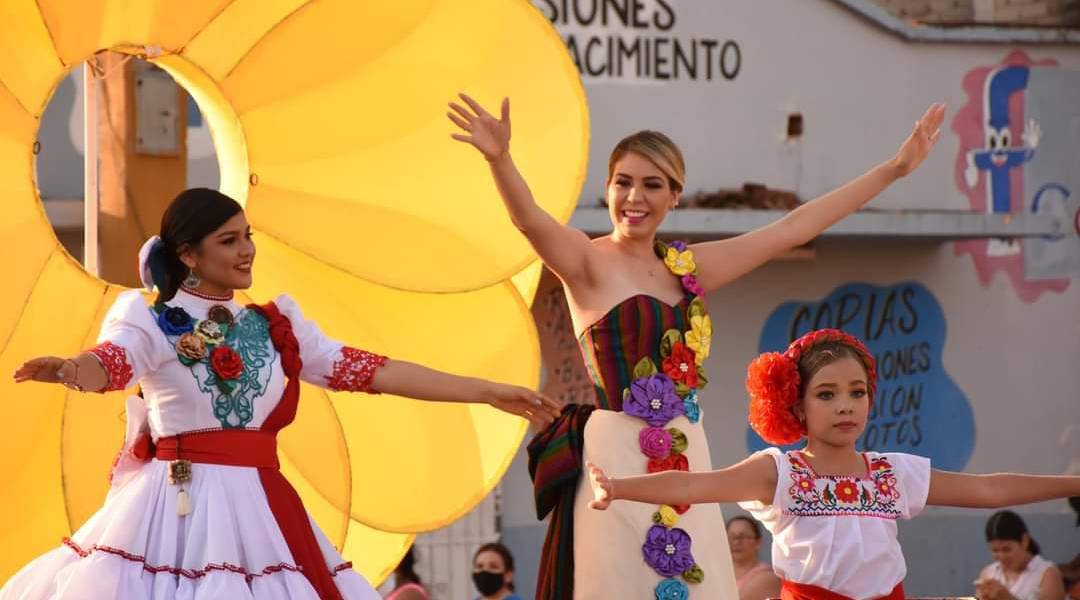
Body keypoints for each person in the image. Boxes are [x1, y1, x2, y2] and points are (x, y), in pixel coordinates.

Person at [448, 92, 946, 599]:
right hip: (614, 453)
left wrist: (895, 168)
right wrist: (500, 159)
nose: (634, 197)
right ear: (608, 188)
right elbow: (529, 220)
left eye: (652, 184)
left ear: (675, 196)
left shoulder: (687, 269)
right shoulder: (585, 260)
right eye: (623, 182)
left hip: (687, 448)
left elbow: (791, 228)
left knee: (698, 584)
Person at [2, 188, 560, 600]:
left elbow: (375, 371)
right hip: (176, 507)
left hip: (262, 509)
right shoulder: (150, 319)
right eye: (229, 240)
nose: (246, 251)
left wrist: (483, 390)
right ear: (188, 255)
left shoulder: (277, 327)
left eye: (247, 236)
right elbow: (113, 363)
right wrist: (72, 369)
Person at [584, 328, 1080, 600]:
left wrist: (1073, 482)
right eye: (827, 394)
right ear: (796, 406)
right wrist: (620, 488)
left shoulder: (893, 472)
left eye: (857, 392)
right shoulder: (779, 473)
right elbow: (697, 485)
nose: (846, 405)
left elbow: (988, 490)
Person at [975, 510, 1065, 600]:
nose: (1002, 556)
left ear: (1024, 541)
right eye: (995, 550)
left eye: (1007, 549)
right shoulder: (988, 574)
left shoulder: (1047, 574)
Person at [727, 516, 781, 600]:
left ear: (758, 542)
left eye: (742, 537)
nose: (736, 542)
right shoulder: (721, 573)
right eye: (731, 537)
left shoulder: (767, 577)